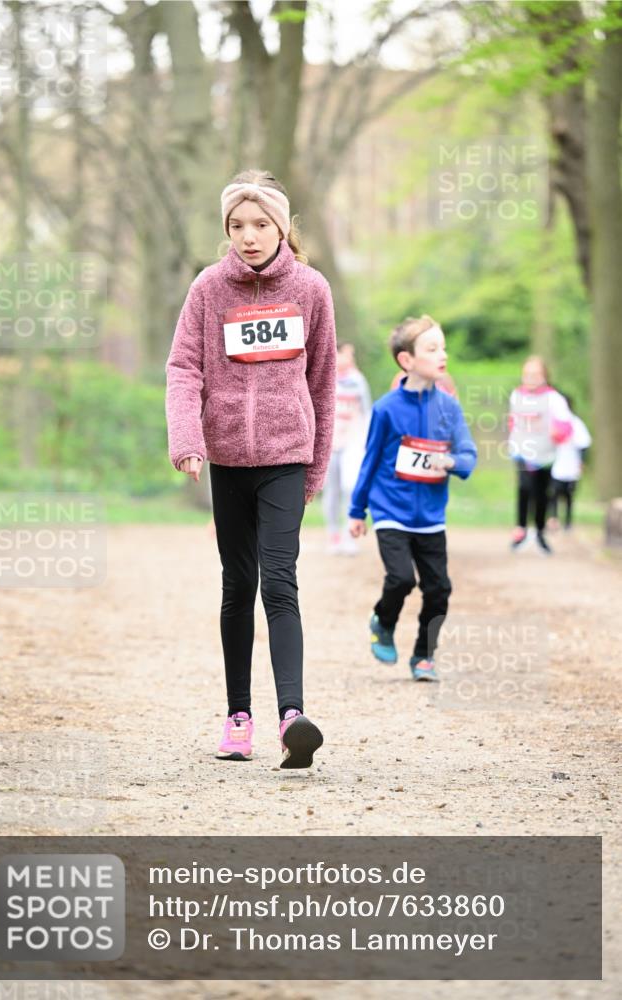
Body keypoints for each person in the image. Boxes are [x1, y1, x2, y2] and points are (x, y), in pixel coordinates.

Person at [165, 169, 336, 768]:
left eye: (261, 224)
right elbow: (184, 367)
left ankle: (293, 716)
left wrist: (316, 466)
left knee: (280, 580)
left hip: (287, 455)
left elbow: (323, 381)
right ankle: (239, 717)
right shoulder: (208, 289)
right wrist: (188, 437)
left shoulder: (312, 289)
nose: (249, 235)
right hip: (229, 458)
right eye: (237, 225)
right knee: (238, 585)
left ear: (283, 227)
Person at [348, 315, 477, 682]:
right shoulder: (386, 409)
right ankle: (383, 621)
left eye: (444, 348)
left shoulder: (448, 408)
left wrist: (451, 460)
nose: (443, 355)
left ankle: (424, 655)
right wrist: (357, 510)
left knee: (439, 589)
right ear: (407, 360)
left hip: (431, 517)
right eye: (432, 349)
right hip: (391, 511)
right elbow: (370, 460)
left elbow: (468, 455)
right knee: (402, 578)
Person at [507, 356, 572, 554]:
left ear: (544, 376)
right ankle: (521, 529)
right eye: (527, 374)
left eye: (535, 374)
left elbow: (566, 424)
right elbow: (512, 421)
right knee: (524, 486)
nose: (530, 378)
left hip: (545, 454)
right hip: (522, 451)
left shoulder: (554, 398)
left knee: (542, 493)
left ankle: (540, 532)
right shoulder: (516, 395)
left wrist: (557, 432)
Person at [322, 343, 371, 554]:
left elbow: (367, 411)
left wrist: (366, 441)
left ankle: (349, 535)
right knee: (331, 492)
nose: (350, 357)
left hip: (352, 443)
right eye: (347, 353)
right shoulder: (325, 378)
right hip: (330, 445)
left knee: (349, 487)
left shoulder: (358, 380)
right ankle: (334, 535)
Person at [548, 394, 592, 531]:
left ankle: (568, 522)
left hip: (571, 463)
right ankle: (553, 519)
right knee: (554, 492)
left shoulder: (575, 423)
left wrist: (581, 462)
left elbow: (584, 443)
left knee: (568, 495)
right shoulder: (551, 422)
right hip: (555, 463)